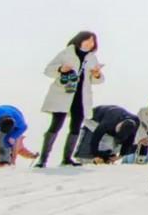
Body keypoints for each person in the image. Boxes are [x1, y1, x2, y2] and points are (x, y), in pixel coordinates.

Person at [35, 31, 105, 167]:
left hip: (81, 96)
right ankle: (43, 159)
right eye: (88, 40)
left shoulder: (92, 58)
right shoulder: (66, 53)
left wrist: (97, 75)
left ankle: (67, 159)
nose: (91, 43)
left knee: (76, 126)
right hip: (63, 94)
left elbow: (97, 81)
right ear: (80, 40)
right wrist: (61, 68)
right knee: (56, 125)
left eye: (93, 41)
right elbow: (48, 70)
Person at [75, 105, 141, 163]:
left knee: (112, 141)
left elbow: (129, 140)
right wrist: (96, 155)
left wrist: (120, 155)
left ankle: (106, 157)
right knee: (105, 139)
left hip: (113, 121)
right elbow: (96, 137)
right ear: (119, 125)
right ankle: (85, 156)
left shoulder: (136, 122)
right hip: (93, 119)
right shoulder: (109, 121)